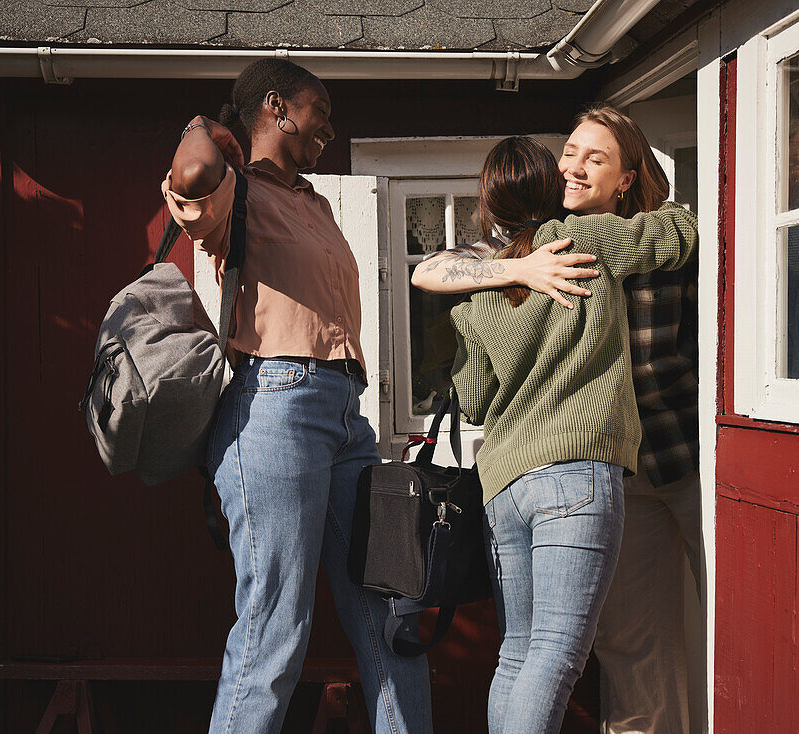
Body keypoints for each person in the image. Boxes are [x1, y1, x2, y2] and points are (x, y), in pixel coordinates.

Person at [163, 59, 432, 734]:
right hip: (275, 407)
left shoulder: (311, 201)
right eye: (321, 110)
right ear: (277, 107)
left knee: (391, 611)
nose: (330, 128)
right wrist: (207, 122)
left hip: (347, 415)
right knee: (276, 623)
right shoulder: (234, 192)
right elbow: (191, 175)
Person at [414, 105, 701, 734]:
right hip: (576, 472)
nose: (576, 166)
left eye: (592, 157)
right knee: (555, 652)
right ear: (551, 189)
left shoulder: (477, 290)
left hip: (505, 482)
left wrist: (508, 274)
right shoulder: (586, 242)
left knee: (518, 651)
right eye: (569, 158)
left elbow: (475, 392)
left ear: (486, 203)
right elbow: (680, 231)